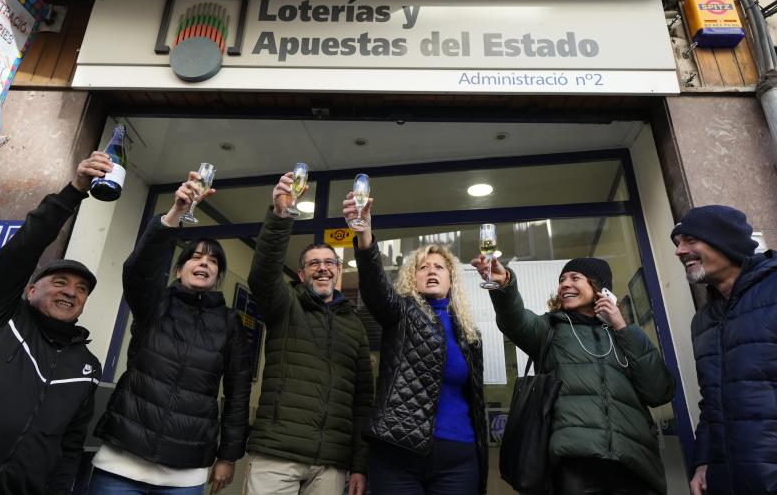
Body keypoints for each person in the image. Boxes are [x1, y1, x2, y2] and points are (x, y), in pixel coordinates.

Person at [88, 175, 252, 495]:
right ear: (179, 269)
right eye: (196, 256)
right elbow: (139, 269)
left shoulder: (230, 324)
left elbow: (238, 395)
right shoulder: (156, 303)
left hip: (184, 475)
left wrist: (228, 456)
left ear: (218, 275)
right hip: (121, 462)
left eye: (213, 260)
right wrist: (174, 214)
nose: (204, 262)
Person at [475, 255, 674, 495]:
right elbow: (514, 320)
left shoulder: (624, 336)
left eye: (575, 278)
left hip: (634, 464)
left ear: (600, 289)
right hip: (575, 465)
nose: (565, 284)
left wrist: (622, 327)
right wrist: (504, 285)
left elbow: (659, 391)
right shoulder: (550, 328)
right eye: (562, 279)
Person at [0, 152, 111, 495]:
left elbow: (69, 446)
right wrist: (75, 190)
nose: (71, 292)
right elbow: (24, 248)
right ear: (31, 289)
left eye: (82, 289)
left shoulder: (87, 366)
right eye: (60, 282)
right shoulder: (1, 315)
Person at [345, 195, 488, 495]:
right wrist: (364, 236)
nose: (432, 270)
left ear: (451, 279)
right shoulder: (400, 312)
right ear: (413, 278)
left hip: (458, 457)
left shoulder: (469, 332)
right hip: (398, 455)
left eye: (439, 267)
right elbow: (375, 289)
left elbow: (474, 398)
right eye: (423, 267)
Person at [245, 172, 373, 495]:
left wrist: (359, 465)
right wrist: (279, 215)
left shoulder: (355, 326)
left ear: (338, 271)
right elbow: (262, 275)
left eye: (330, 262)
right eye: (313, 263)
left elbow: (362, 402)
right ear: (301, 274)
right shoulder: (284, 304)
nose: (323, 268)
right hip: (277, 455)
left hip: (330, 463)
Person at [671, 205, 777, 495]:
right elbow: (712, 403)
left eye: (690, 240)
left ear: (725, 241)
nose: (679, 252)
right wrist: (704, 461)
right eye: (678, 244)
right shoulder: (702, 322)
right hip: (727, 482)